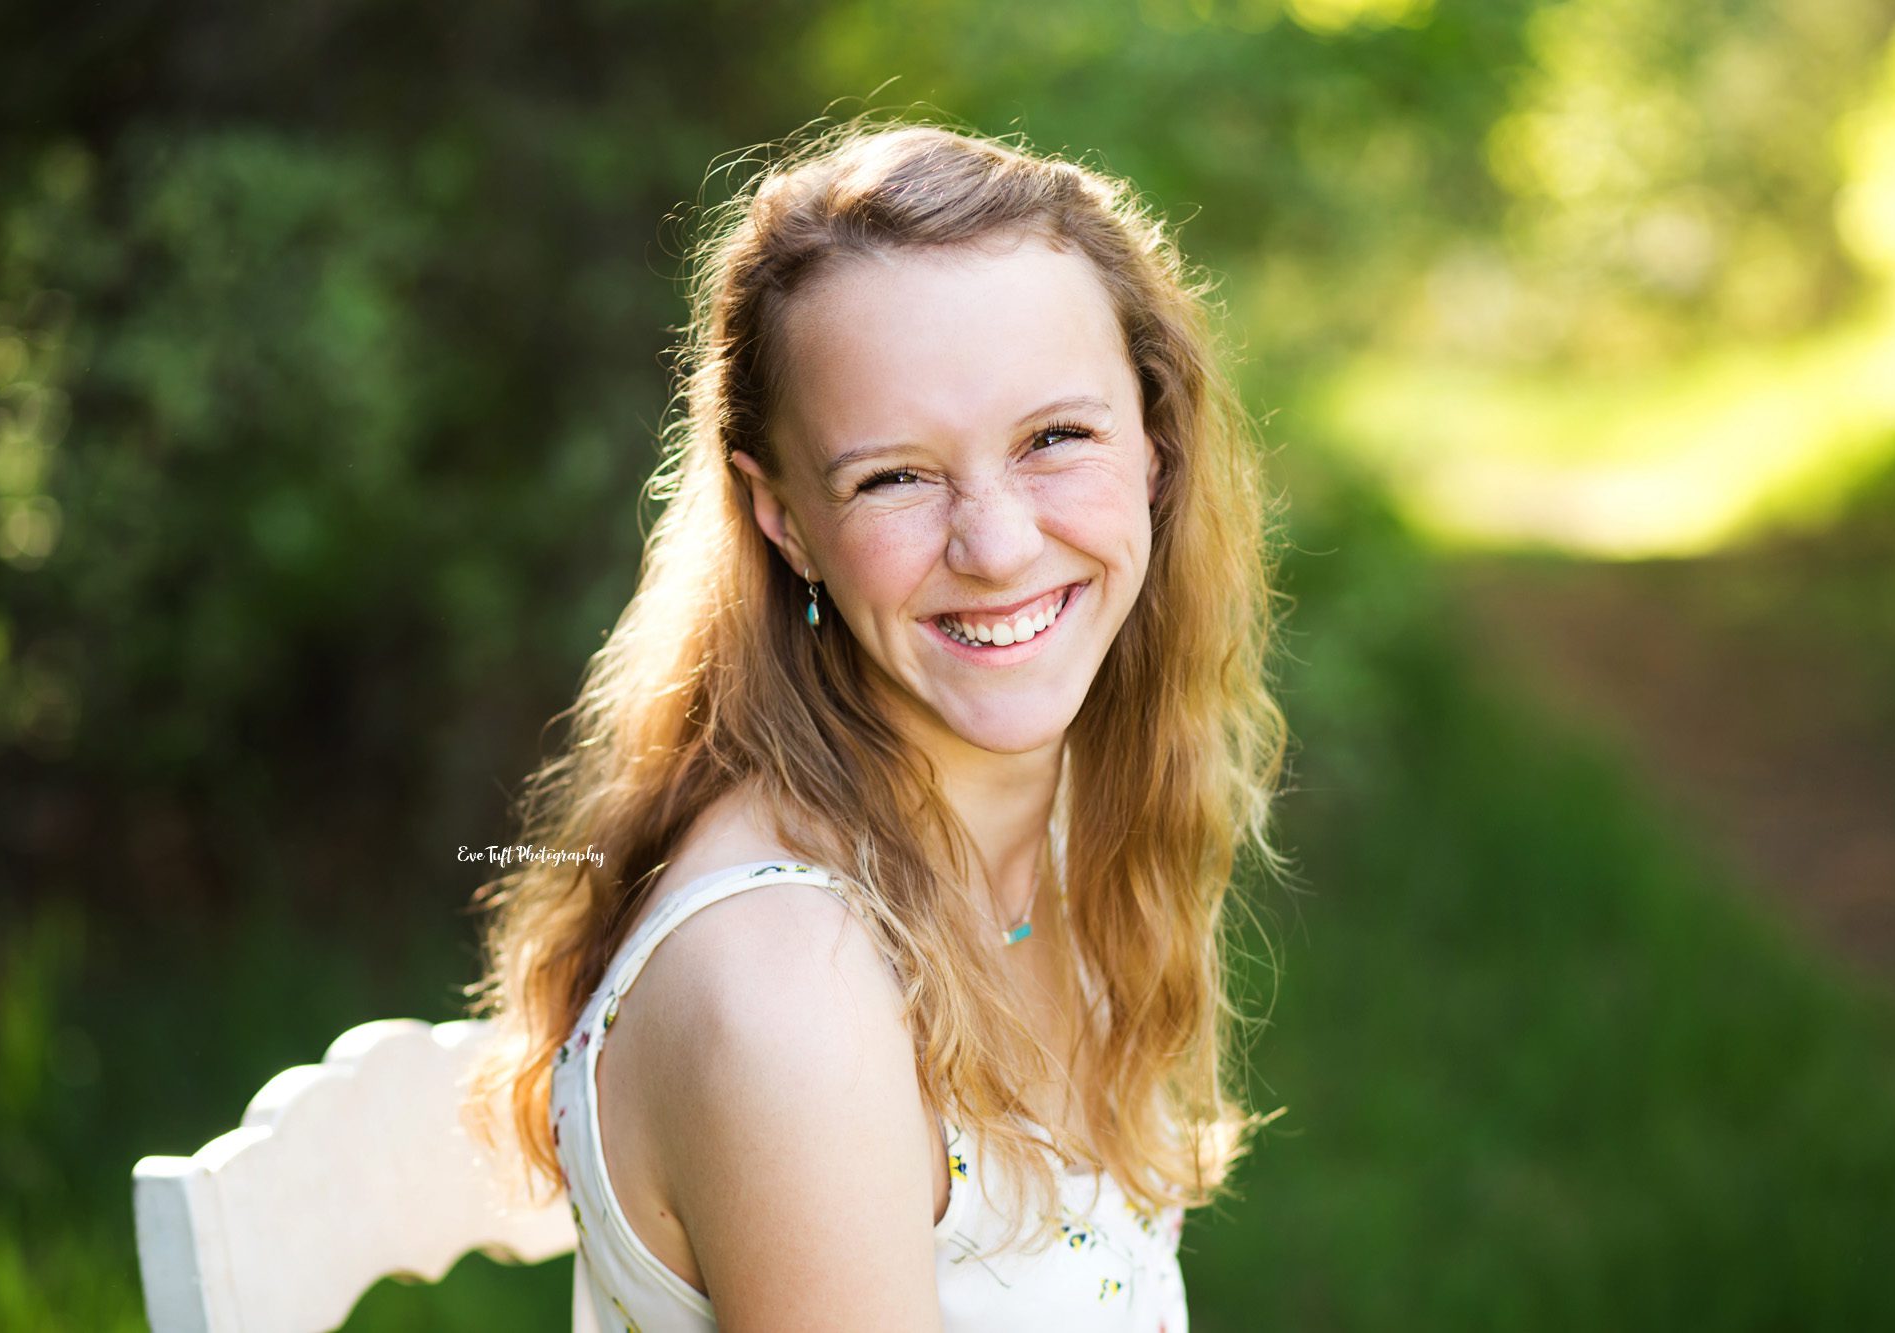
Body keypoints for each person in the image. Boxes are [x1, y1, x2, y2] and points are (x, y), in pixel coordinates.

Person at [465, 117, 1292, 1332]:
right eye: (894, 476)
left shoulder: (1060, 820)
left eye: (1054, 437)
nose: (998, 547)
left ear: (1156, 447)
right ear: (784, 517)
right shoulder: (790, 988)